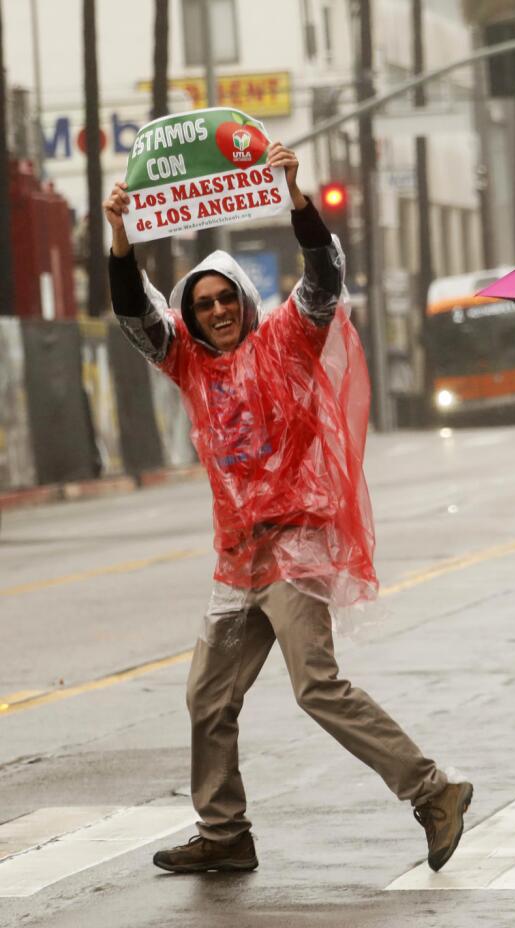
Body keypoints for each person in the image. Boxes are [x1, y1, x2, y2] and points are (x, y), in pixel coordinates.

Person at [102, 143, 472, 875]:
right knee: (206, 697)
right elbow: (131, 311)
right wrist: (120, 235)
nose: (216, 313)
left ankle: (434, 792)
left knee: (316, 687)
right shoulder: (185, 361)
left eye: (225, 299)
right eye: (203, 305)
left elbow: (324, 277)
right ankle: (224, 833)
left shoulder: (286, 341)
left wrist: (293, 196)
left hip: (295, 547)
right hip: (237, 558)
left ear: (244, 300)